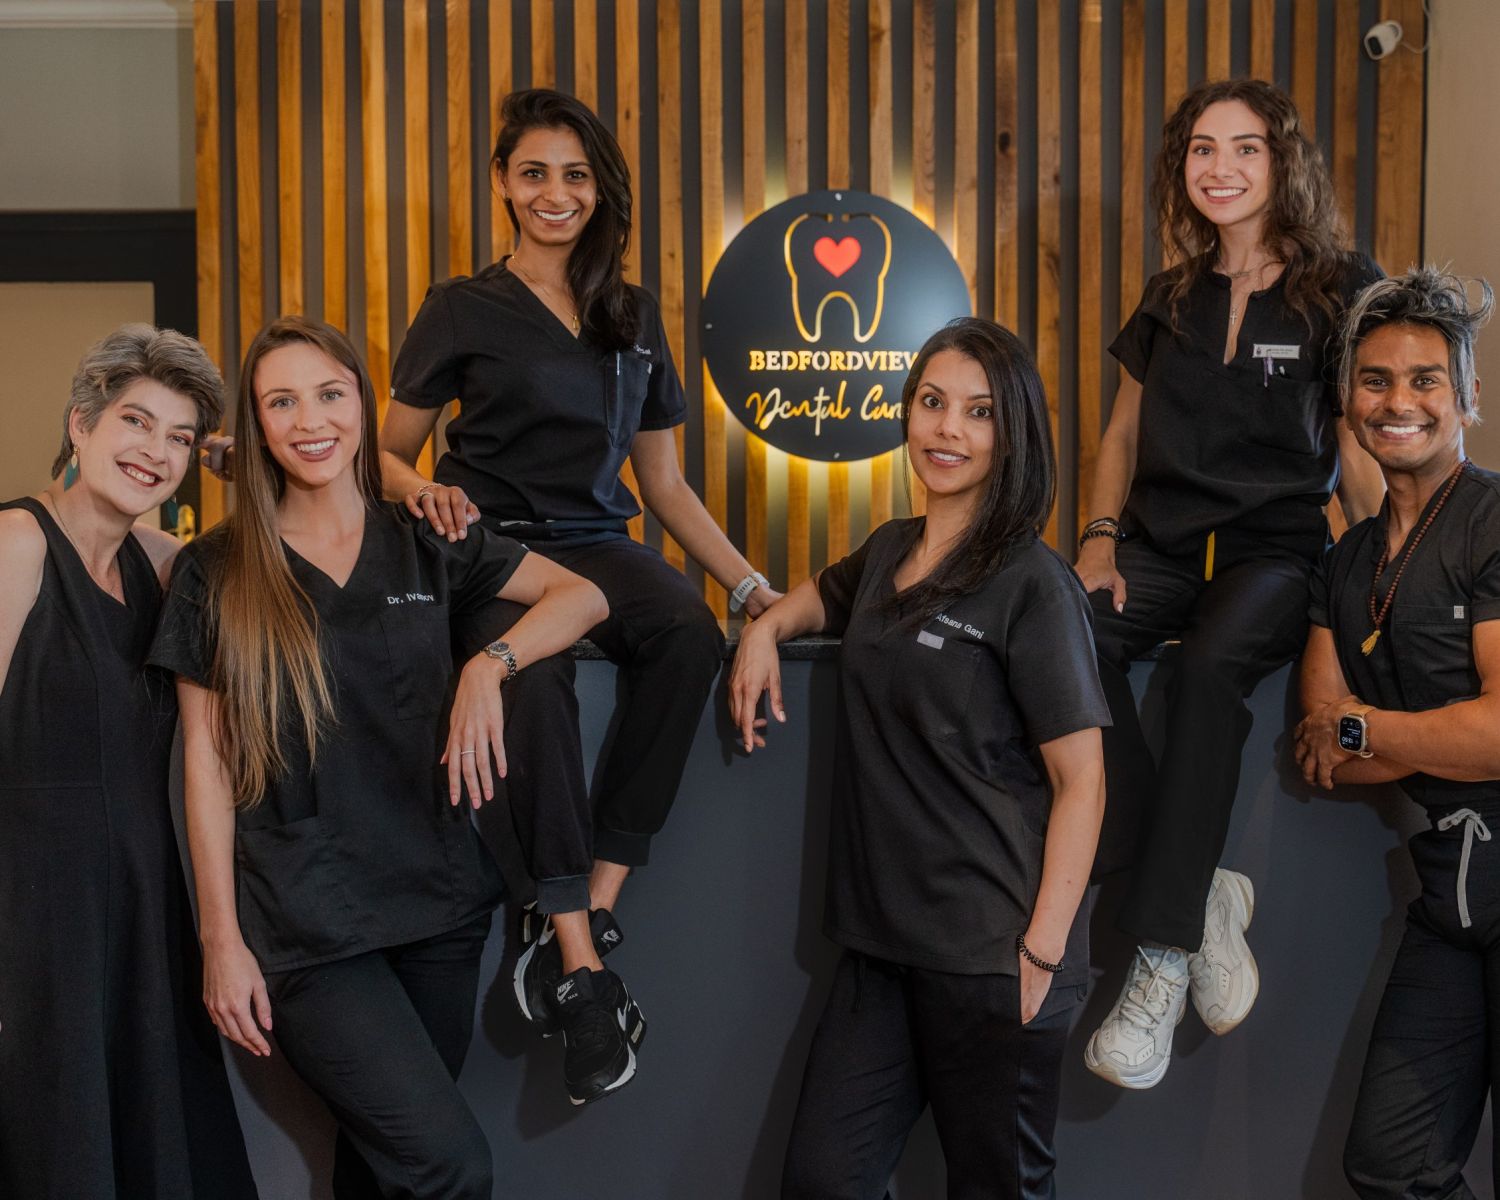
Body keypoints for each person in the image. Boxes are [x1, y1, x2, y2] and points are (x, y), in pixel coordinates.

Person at [381, 87, 780, 1102]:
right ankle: (579, 966)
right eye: (533, 174)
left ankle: (595, 901)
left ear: (601, 189)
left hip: (599, 543)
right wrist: (423, 490)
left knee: (687, 635)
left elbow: (665, 486)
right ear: (503, 184)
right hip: (496, 550)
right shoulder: (461, 306)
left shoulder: (632, 316)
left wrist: (749, 589)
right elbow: (382, 455)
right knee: (537, 685)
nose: (554, 193)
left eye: (574, 175)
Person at [149, 315, 608, 1198]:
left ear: (361, 404)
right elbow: (206, 760)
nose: (310, 421)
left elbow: (581, 596)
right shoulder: (217, 571)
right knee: (449, 1165)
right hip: (308, 923)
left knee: (381, 1171)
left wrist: (489, 663)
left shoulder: (426, 535)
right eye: (281, 402)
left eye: (329, 393)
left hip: (439, 908)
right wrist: (220, 940)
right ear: (255, 426)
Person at [730, 318, 1109, 1199]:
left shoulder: (1032, 581)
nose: (948, 430)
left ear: (1012, 432)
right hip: (882, 948)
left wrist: (1043, 953)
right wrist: (765, 629)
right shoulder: (891, 549)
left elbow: (1083, 781)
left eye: (979, 412)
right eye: (933, 403)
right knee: (822, 1181)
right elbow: (822, 597)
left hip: (993, 951)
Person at [1078, 78, 1387, 1089]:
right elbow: (1122, 434)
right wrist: (1097, 543)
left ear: (1281, 162)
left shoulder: (1339, 288)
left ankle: (1161, 957)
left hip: (1273, 553)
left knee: (1209, 672)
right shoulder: (1169, 298)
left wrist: (1387, 568)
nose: (1221, 167)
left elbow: (1356, 441)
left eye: (1245, 148)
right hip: (1160, 547)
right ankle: (1200, 890)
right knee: (1066, 641)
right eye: (1202, 149)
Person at [0, 325, 257, 1198]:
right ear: (81, 424)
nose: (156, 451)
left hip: (145, 919)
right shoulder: (18, 542)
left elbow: (285, 566)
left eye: (180, 438)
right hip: (33, 921)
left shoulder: (167, 565)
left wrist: (247, 464)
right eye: (136, 422)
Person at [1295, 267, 1498, 1200]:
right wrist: (1392, 733)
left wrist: (1369, 726)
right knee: (1390, 1163)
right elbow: (1325, 750)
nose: (1398, 401)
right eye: (1375, 380)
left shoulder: (1492, 521)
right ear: (1349, 401)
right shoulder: (1343, 563)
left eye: (1425, 380)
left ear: (1467, 397)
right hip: (1449, 893)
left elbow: (1498, 734)